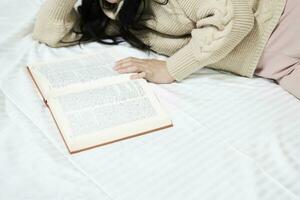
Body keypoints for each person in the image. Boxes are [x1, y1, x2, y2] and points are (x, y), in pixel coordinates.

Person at [32, 0, 300, 99]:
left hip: (285, 23)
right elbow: (51, 33)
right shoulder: (114, 13)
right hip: (277, 67)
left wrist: (171, 69)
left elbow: (234, 17)